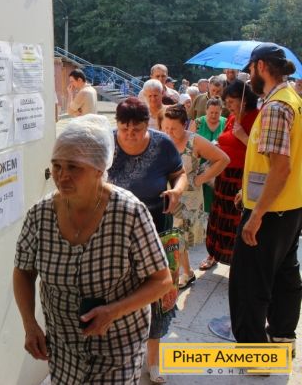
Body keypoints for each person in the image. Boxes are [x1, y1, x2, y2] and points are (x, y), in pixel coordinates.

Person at [13, 114, 172, 384]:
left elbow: (162, 281)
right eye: (57, 166)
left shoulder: (129, 213)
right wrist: (30, 324)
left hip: (118, 350)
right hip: (63, 350)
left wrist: (113, 311)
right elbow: (23, 272)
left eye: (74, 167)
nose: (62, 176)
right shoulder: (40, 215)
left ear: (99, 169)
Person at [109, 97, 187, 384]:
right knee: (119, 293)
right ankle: (121, 356)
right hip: (115, 233)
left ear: (148, 125)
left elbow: (180, 174)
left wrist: (176, 191)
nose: (130, 134)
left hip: (156, 230)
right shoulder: (106, 144)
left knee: (158, 296)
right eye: (124, 128)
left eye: (137, 129)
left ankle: (153, 360)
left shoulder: (162, 144)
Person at [229, 43, 302, 349]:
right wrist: (247, 191)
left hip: (270, 212)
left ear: (260, 66)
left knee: (249, 284)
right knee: (286, 275)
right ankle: (282, 334)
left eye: (250, 69)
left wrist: (256, 213)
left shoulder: (275, 108)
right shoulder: (293, 100)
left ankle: (253, 354)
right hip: (290, 207)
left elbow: (281, 168)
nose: (249, 76)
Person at [161, 104, 229, 289]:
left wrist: (200, 179)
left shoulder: (195, 141)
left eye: (173, 128)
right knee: (174, 235)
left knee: (178, 236)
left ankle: (181, 274)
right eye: (166, 127)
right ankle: (186, 272)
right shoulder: (163, 139)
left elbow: (223, 159)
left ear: (185, 125)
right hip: (168, 194)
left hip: (189, 198)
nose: (169, 132)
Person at [203, 81, 259, 270]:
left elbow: (261, 151)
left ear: (244, 100)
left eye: (231, 101)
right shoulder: (232, 117)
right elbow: (225, 140)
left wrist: (243, 136)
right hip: (223, 174)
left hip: (240, 177)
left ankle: (236, 261)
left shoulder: (257, 117)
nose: (227, 106)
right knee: (218, 216)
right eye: (226, 102)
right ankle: (213, 254)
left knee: (234, 219)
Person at [189, 97, 227, 217]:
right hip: (199, 168)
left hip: (218, 168)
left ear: (221, 111)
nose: (214, 115)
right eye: (211, 112)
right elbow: (189, 144)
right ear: (206, 111)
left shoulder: (226, 123)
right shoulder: (198, 122)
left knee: (216, 201)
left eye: (217, 113)